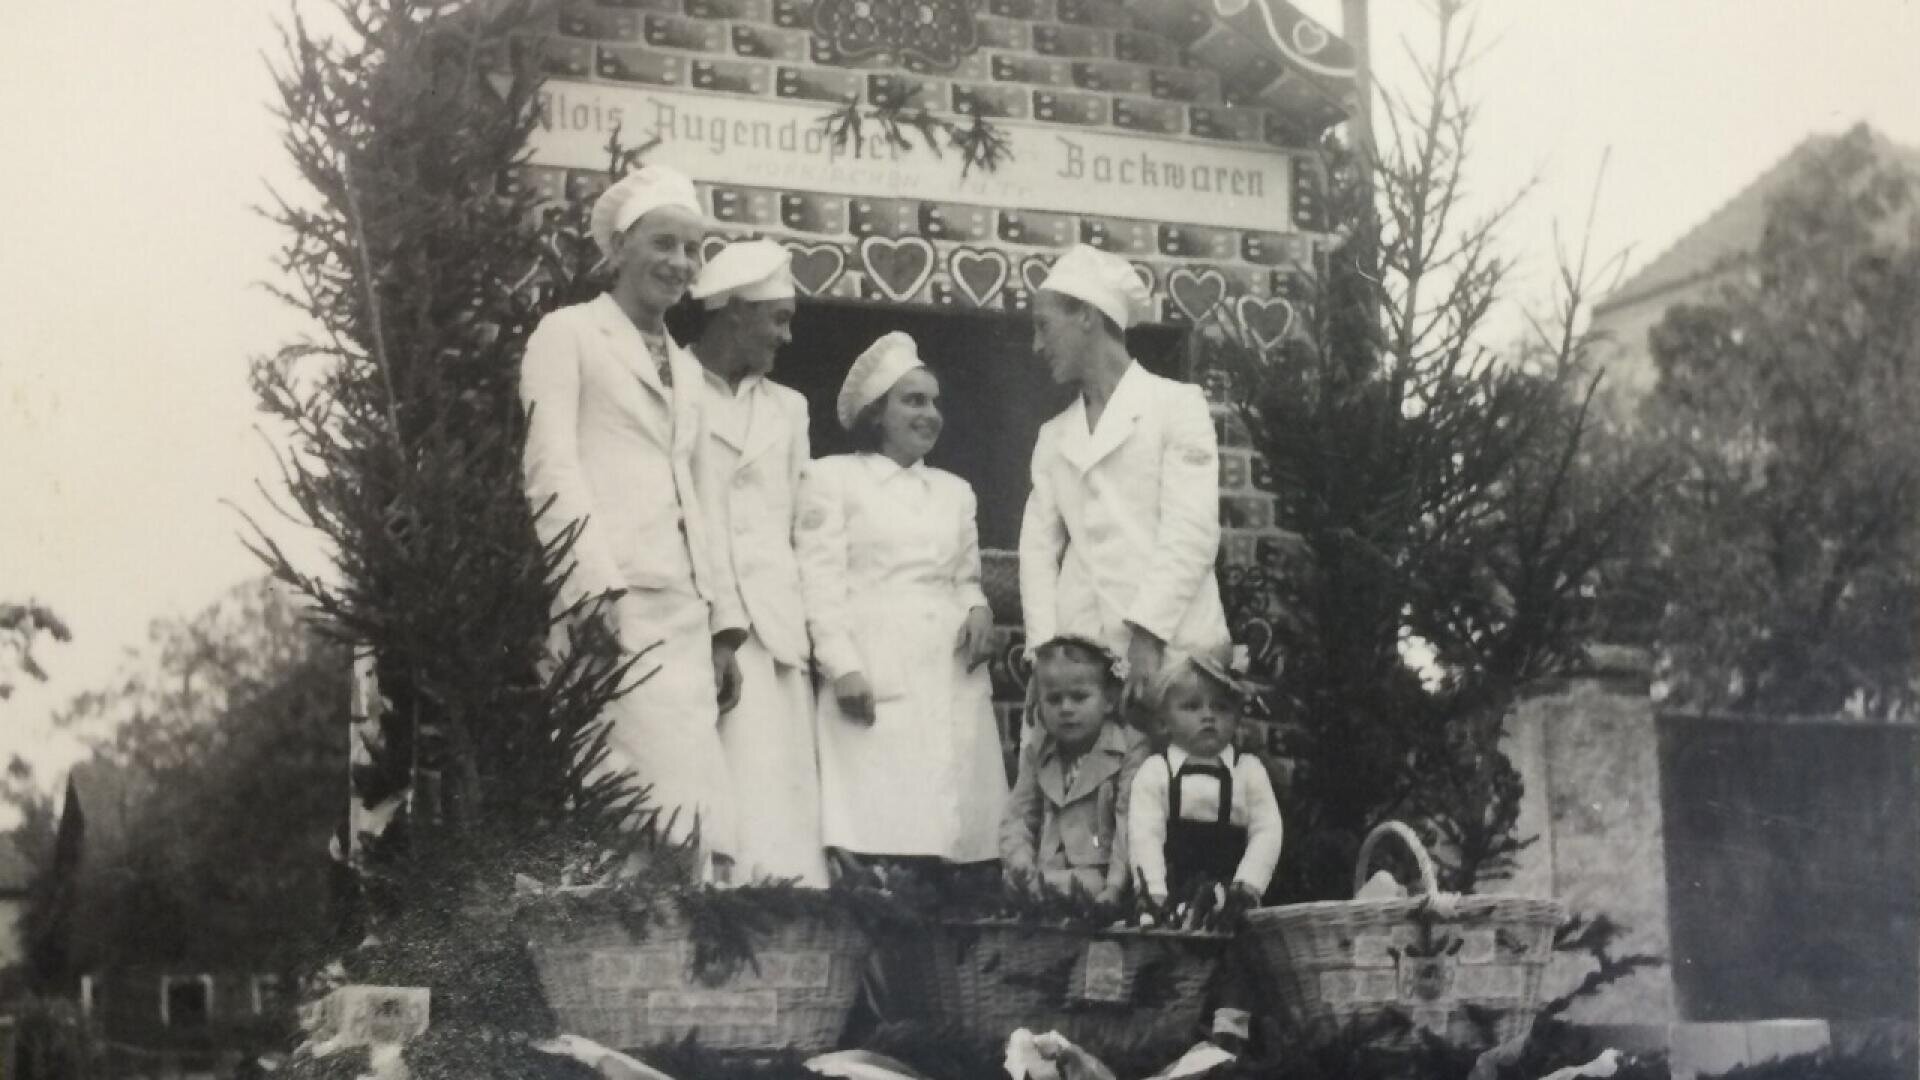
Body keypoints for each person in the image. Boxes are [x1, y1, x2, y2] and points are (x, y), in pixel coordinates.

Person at [519, 164, 744, 879]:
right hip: (610, 608)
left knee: (695, 817)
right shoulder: (569, 335)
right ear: (618, 250)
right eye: (664, 243)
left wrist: (723, 630)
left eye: (693, 250)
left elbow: (704, 502)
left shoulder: (686, 369)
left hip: (682, 615)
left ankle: (678, 980)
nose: (680, 263)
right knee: (627, 812)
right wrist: (588, 591)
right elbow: (550, 467)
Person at [795, 332, 1007, 872]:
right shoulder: (832, 478)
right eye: (913, 400)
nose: (930, 414)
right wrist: (841, 666)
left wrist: (978, 609)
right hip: (875, 666)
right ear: (876, 413)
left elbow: (964, 577)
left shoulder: (955, 491)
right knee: (881, 830)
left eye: (935, 402)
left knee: (955, 836)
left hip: (947, 669)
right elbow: (820, 582)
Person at [1019, 244, 1229, 712]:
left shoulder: (1177, 406)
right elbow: (1037, 554)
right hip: (1084, 671)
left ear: (1087, 316)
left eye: (1044, 326)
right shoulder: (1053, 437)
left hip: (1173, 655)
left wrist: (1148, 636)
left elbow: (1191, 532)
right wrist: (1044, 656)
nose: (1037, 346)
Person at [685, 239, 828, 886]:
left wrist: (820, 634)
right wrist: (715, 622)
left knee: (779, 815)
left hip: (776, 633)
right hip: (701, 625)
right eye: (778, 318)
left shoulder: (790, 409)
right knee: (712, 812)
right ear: (736, 312)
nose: (788, 336)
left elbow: (807, 525)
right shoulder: (673, 386)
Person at [1127, 649, 1282, 913]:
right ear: (1164, 722)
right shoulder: (1156, 772)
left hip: (1230, 903)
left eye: (1221, 707)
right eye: (1192, 706)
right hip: (1170, 899)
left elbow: (1267, 830)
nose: (1208, 716)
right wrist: (1154, 893)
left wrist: (1247, 886)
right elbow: (1144, 835)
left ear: (1236, 718)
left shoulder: (1247, 771)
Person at [999, 635, 1147, 904]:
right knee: (1013, 884)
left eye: (1079, 697)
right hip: (1047, 870)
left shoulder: (1127, 749)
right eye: (1054, 700)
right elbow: (1018, 816)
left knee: (1083, 887)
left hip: (1100, 875)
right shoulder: (1039, 752)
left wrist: (1114, 887)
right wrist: (1021, 865)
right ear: (1040, 706)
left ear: (1109, 700)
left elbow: (1130, 824)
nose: (1066, 709)